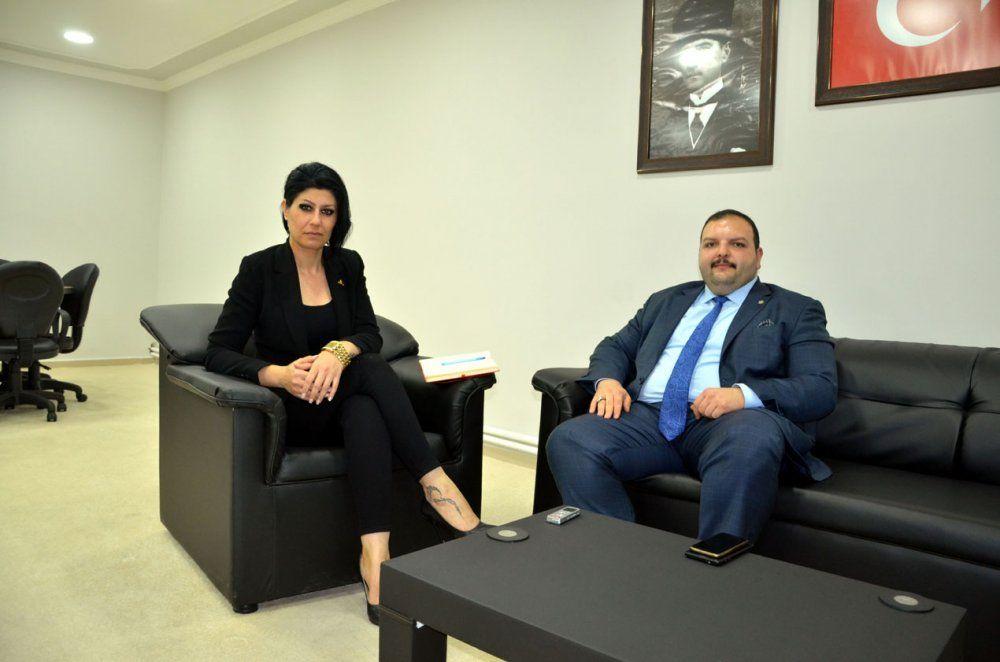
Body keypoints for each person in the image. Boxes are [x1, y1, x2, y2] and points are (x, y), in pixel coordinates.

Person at [205, 162, 486, 625]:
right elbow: (218, 351)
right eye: (306, 208)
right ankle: (437, 486)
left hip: (343, 404)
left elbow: (368, 333)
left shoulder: (346, 265)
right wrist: (277, 375)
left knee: (364, 410)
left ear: (339, 218)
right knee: (371, 371)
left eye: (328, 211)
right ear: (285, 209)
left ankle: (375, 558)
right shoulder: (259, 269)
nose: (316, 220)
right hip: (295, 407)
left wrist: (338, 352)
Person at [545, 209, 836, 542]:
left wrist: (741, 395)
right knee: (571, 439)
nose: (722, 252)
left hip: (728, 425)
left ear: (758, 257)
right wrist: (608, 381)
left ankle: (713, 565)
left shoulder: (795, 309)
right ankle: (617, 556)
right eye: (711, 244)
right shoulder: (666, 301)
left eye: (737, 244)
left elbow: (819, 387)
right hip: (649, 420)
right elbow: (616, 346)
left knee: (750, 435)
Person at [649, 0, 758, 158]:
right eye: (684, 51)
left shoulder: (747, 117)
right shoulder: (664, 124)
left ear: (725, 52)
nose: (691, 63)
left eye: (702, 48)